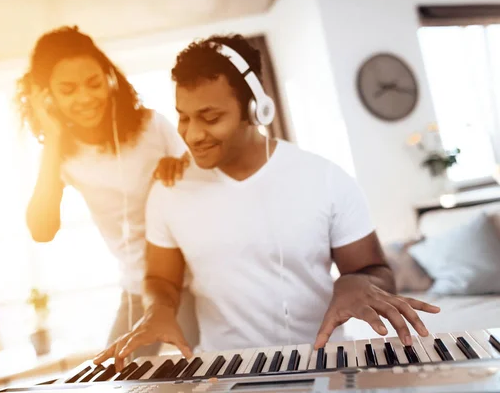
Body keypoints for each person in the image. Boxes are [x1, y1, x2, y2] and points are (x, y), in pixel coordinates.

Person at [93, 34, 440, 370]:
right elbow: (161, 279)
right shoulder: (169, 189)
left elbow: (375, 270)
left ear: (256, 109)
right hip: (222, 370)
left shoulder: (326, 179)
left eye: (211, 118)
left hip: (323, 364)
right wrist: (157, 310)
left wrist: (355, 282)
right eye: (183, 117)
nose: (193, 134)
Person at [16, 26, 199, 356]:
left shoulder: (151, 125)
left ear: (110, 79)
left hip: (195, 279)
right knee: (115, 377)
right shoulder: (62, 155)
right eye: (68, 90)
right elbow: (41, 230)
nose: (85, 98)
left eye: (93, 83)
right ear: (48, 97)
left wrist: (179, 167)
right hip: (137, 287)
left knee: (207, 371)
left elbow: (202, 182)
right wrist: (53, 137)